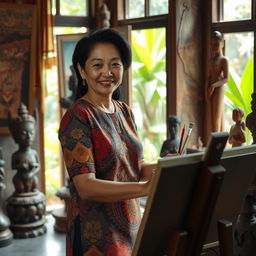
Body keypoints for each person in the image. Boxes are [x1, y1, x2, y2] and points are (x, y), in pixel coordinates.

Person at [58, 29, 157, 256]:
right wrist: (143, 189)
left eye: (115, 64)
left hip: (130, 225)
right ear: (82, 71)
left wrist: (167, 167)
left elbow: (133, 168)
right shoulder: (78, 116)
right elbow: (86, 186)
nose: (107, 72)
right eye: (97, 65)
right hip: (96, 234)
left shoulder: (124, 111)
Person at [206, 31, 229, 132]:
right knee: (209, 117)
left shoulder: (224, 60)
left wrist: (214, 86)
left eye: (216, 44)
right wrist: (206, 90)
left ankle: (217, 142)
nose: (214, 46)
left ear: (222, 43)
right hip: (210, 89)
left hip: (218, 88)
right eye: (212, 44)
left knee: (216, 117)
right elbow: (208, 76)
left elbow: (226, 78)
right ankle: (213, 140)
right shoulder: (210, 60)